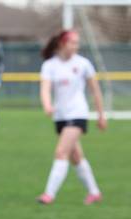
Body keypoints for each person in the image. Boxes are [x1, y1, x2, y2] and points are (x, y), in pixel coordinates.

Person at [36, 30, 106, 206]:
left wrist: (100, 114)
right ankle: (95, 192)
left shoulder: (83, 64)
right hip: (60, 116)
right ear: (62, 44)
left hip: (78, 114)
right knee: (76, 156)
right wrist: (47, 104)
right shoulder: (50, 65)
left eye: (77, 43)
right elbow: (45, 88)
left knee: (61, 152)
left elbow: (95, 91)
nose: (76, 46)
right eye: (72, 42)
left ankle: (48, 195)